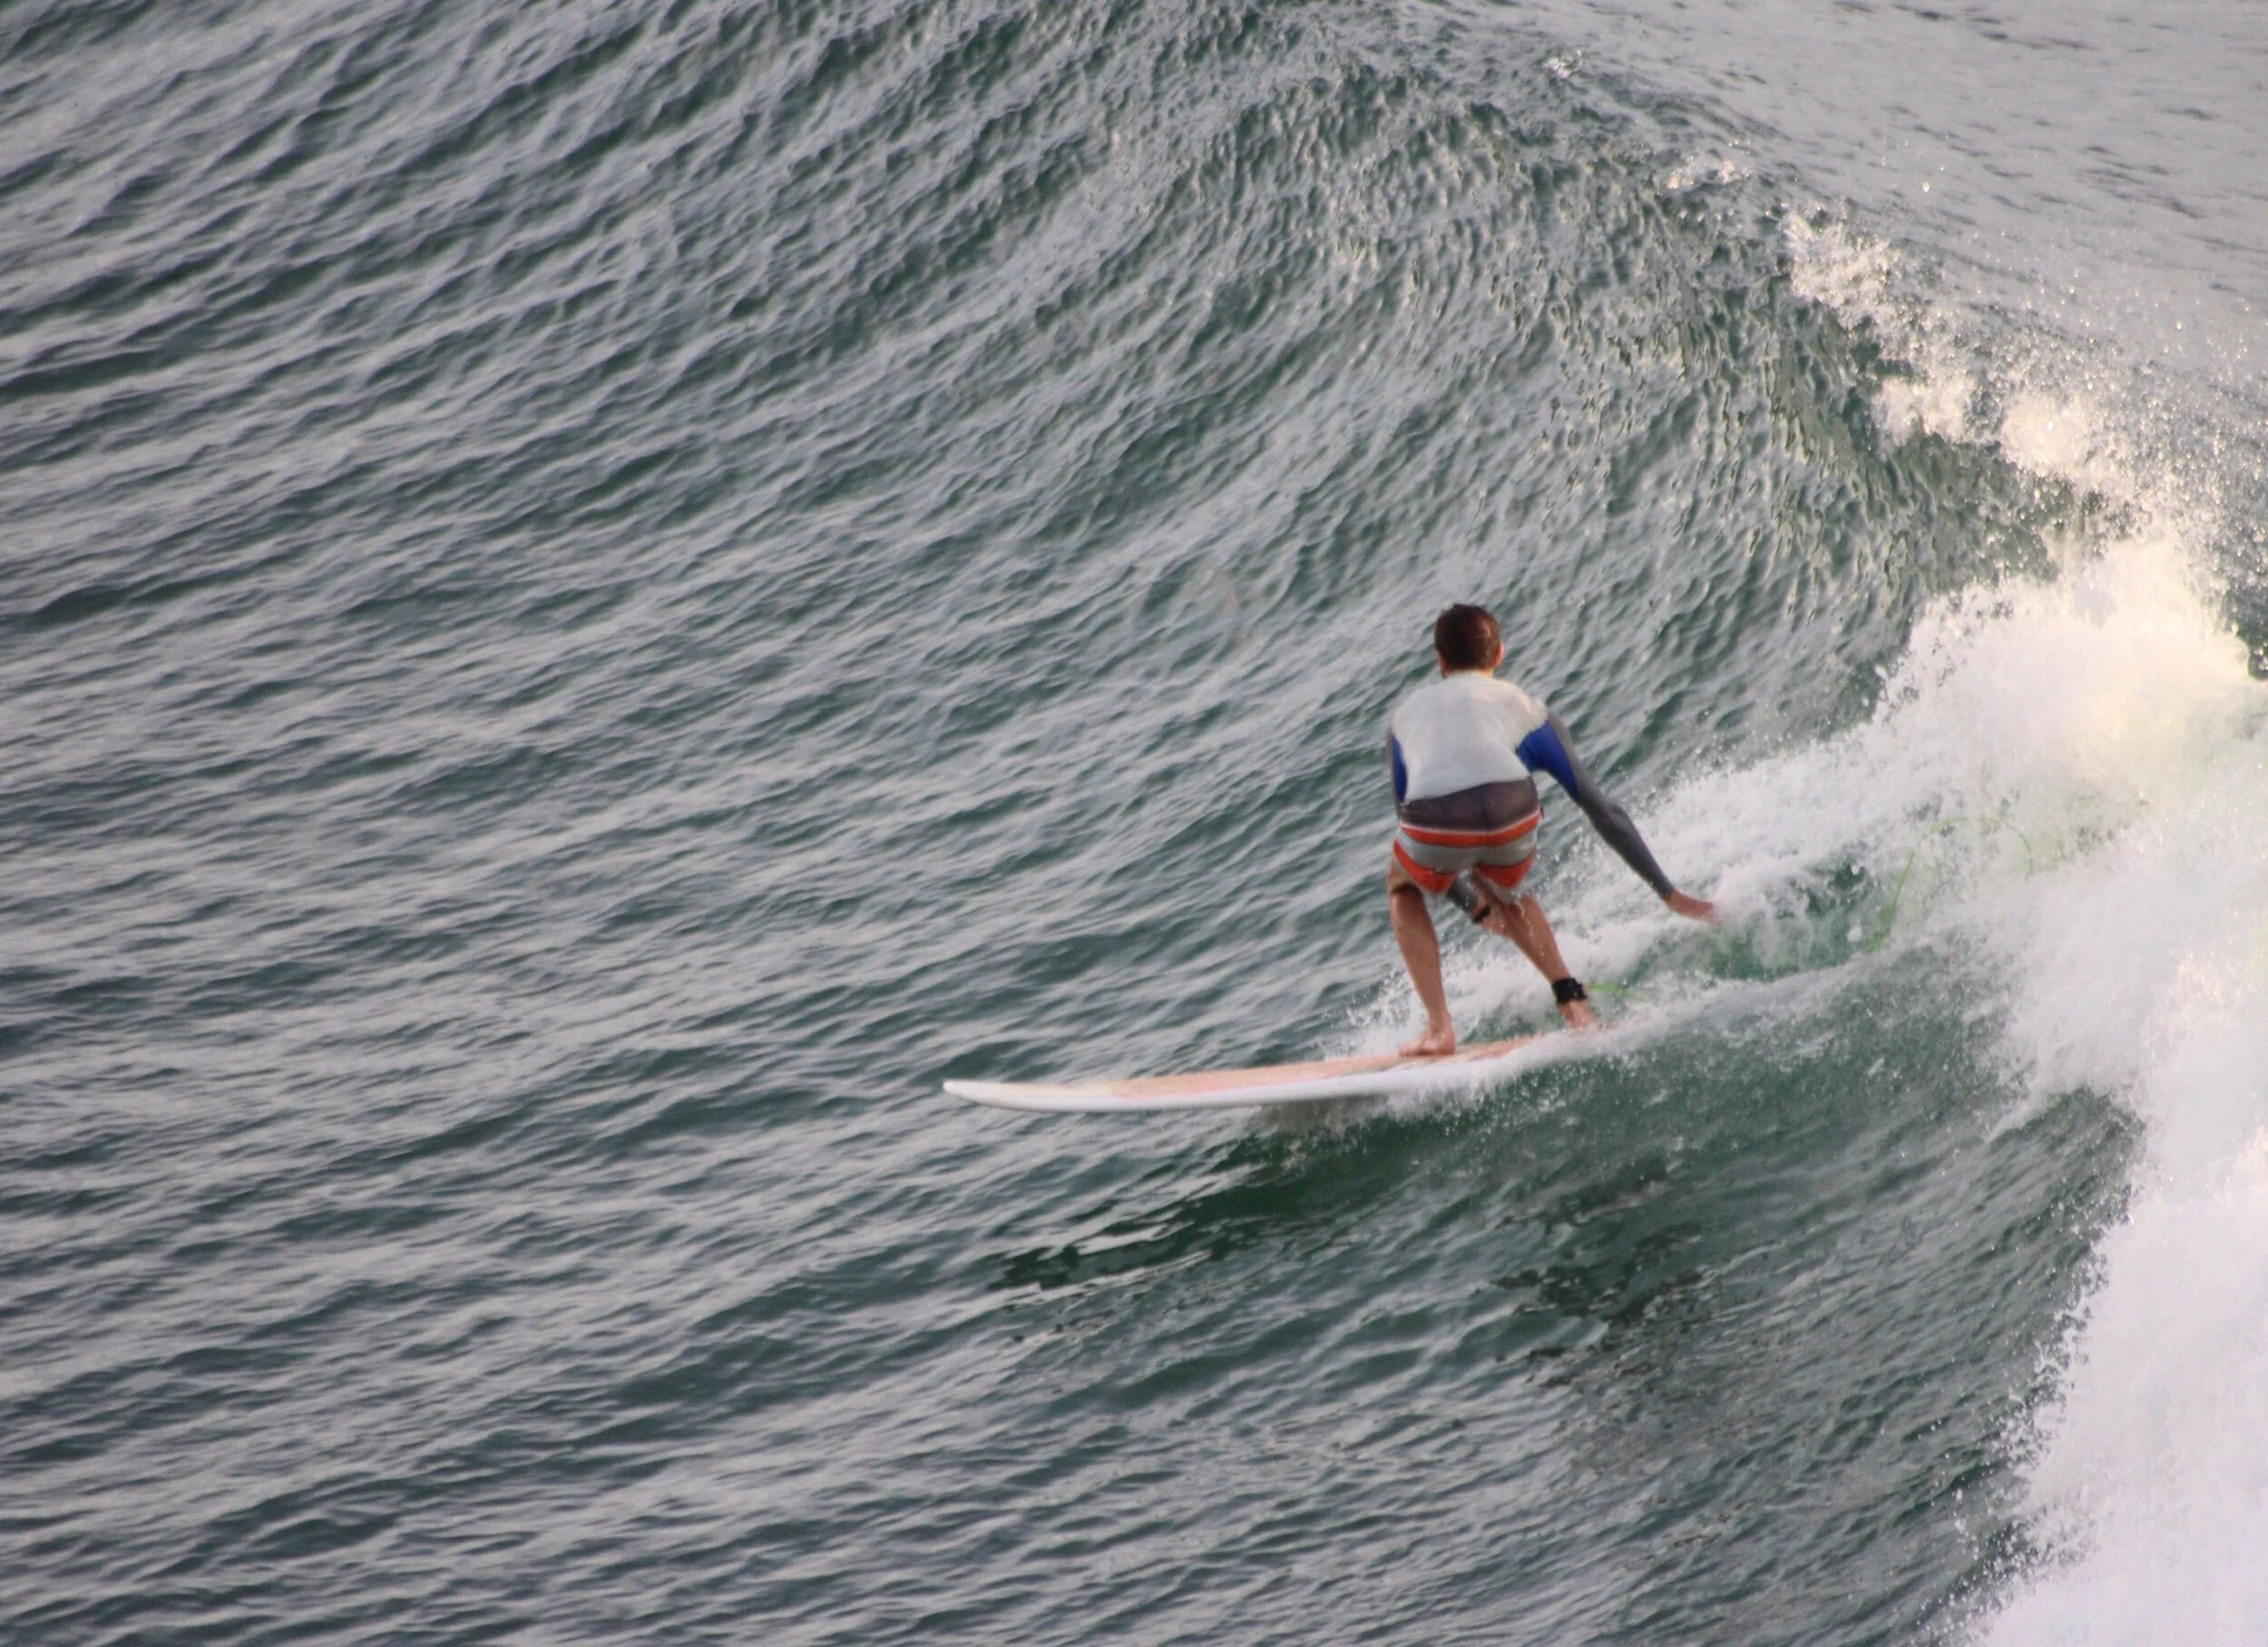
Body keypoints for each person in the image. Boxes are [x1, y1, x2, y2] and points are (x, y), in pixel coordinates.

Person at [1386, 603, 1716, 1055]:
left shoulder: (1404, 719)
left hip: (1436, 825)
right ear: (1499, 654)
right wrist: (1669, 894)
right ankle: (1574, 1005)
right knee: (1504, 886)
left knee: (1403, 884)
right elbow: (1601, 809)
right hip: (1512, 813)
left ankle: (1439, 1028)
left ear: (1440, 660)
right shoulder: (1528, 709)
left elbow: (1411, 823)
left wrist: (1472, 909)